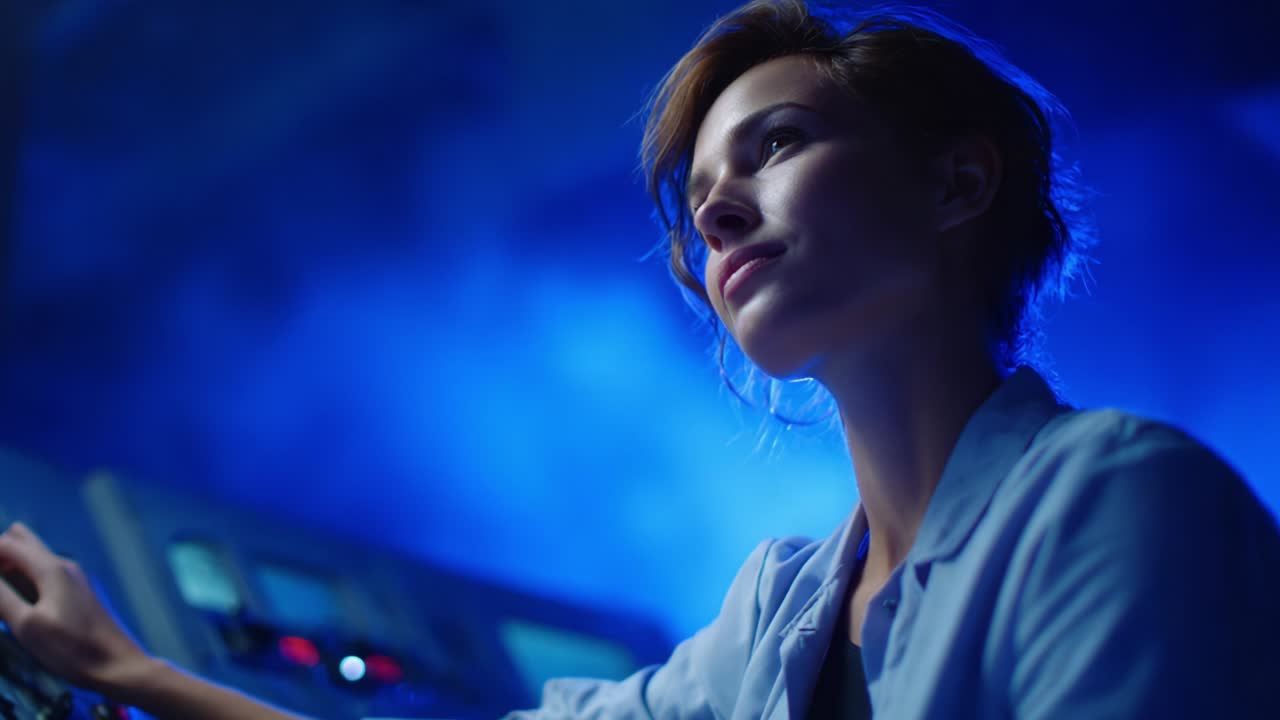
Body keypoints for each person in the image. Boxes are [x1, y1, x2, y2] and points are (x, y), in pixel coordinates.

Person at [0, 1, 1277, 718]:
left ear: (954, 181)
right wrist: (125, 672)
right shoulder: (773, 615)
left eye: (773, 147)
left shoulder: (1115, 501)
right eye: (700, 194)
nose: (714, 213)